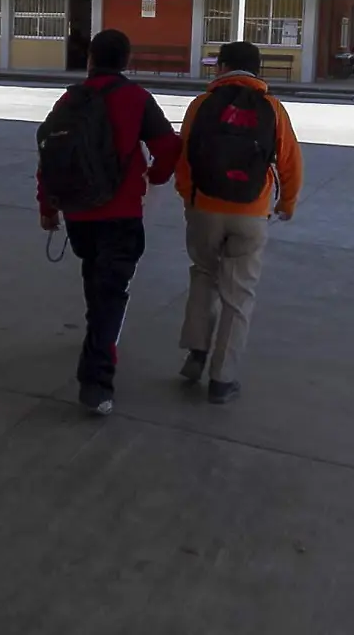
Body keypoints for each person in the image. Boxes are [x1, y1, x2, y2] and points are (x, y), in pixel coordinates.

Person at [37, 29, 180, 416]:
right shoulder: (137, 99)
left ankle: (97, 340)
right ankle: (96, 382)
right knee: (112, 294)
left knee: (95, 281)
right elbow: (168, 147)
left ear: (90, 60)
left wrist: (48, 208)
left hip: (79, 214)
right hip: (121, 214)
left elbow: (49, 154)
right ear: (126, 61)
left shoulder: (70, 98)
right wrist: (158, 177)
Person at [173, 40, 303, 405]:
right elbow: (290, 161)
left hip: (205, 209)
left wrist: (189, 197)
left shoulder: (201, 105)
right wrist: (288, 202)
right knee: (238, 294)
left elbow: (184, 156)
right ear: (257, 70)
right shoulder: (272, 108)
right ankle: (222, 379)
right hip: (250, 213)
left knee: (203, 275)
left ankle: (195, 354)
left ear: (223, 67)